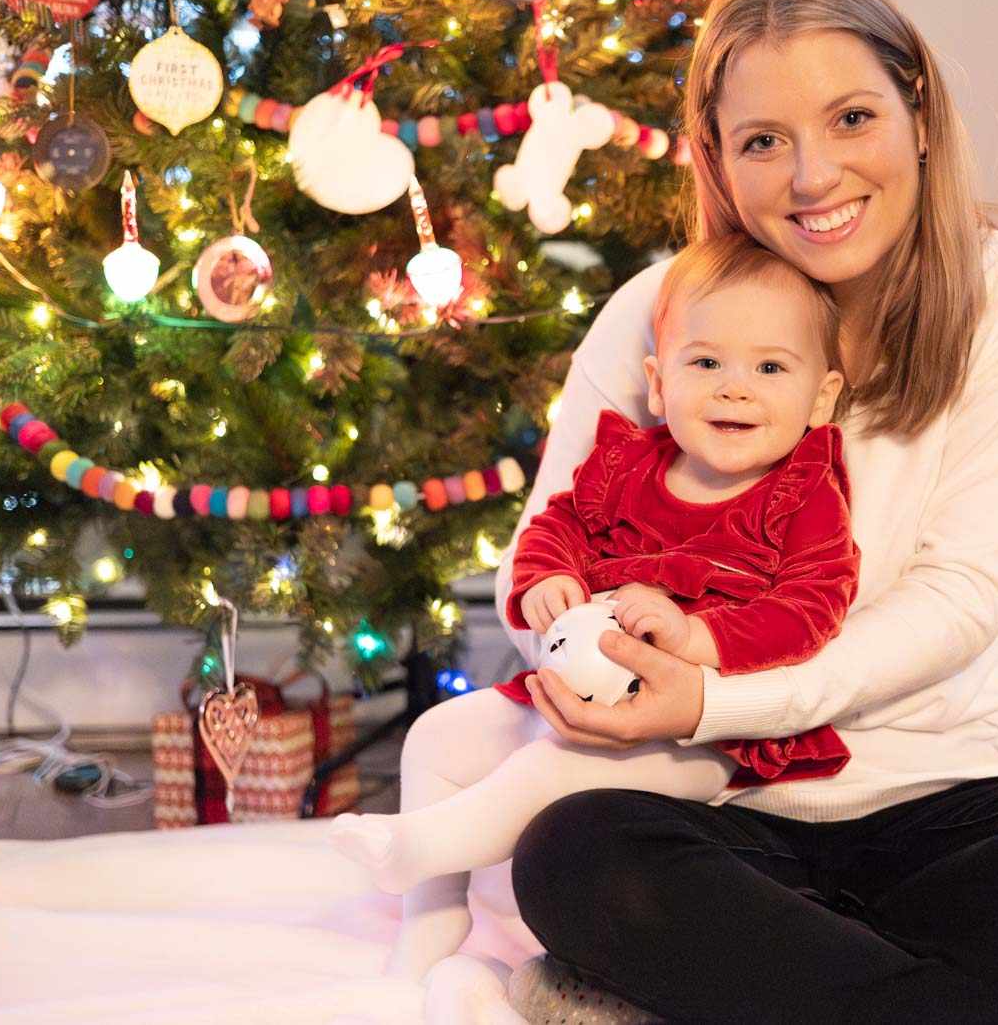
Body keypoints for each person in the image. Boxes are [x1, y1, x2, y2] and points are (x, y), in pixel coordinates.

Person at [420, 0, 998, 1024]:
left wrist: (715, 693)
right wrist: (576, 651)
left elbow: (958, 598)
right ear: (714, 159)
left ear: (918, 112)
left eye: (849, 118)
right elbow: (542, 566)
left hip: (944, 807)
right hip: (708, 804)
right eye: (762, 141)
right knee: (577, 857)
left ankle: (717, 988)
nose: (811, 176)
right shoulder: (658, 313)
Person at [336, 237, 861, 1004]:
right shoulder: (627, 467)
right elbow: (555, 526)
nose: (734, 390)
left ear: (820, 397)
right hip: (575, 690)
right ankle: (429, 917)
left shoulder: (802, 494)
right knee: (436, 736)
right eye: (706, 363)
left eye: (771, 368)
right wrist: (546, 576)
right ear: (657, 381)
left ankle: (418, 847)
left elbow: (812, 608)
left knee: (549, 771)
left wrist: (695, 637)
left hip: (705, 735)